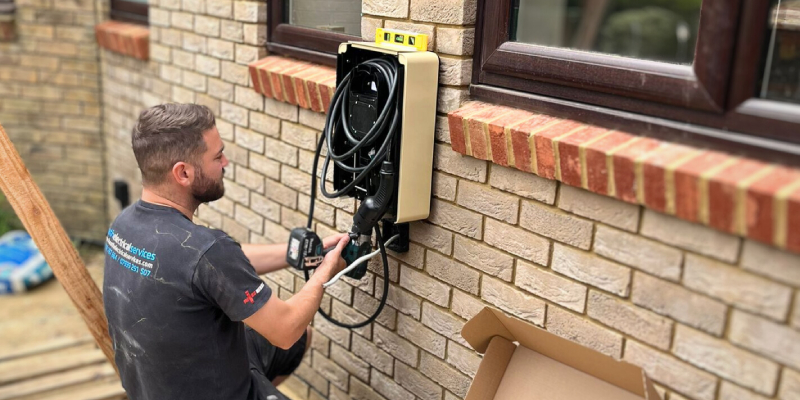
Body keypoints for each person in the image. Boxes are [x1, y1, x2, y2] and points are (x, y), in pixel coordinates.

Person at [102, 103, 348, 400]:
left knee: (299, 342)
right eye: (217, 156)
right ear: (183, 173)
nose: (225, 162)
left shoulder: (124, 226)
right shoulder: (208, 251)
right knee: (296, 334)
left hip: (155, 389)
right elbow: (286, 330)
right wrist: (324, 272)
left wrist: (295, 254)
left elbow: (206, 269)